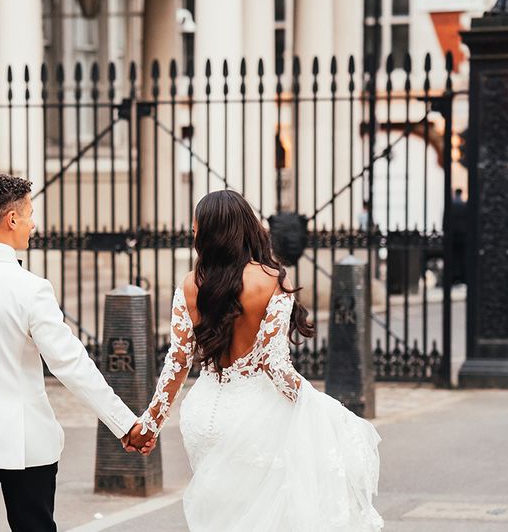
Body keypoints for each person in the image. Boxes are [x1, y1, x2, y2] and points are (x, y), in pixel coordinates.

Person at [128, 190, 383, 531]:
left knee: (223, 517)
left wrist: (151, 424)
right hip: (255, 416)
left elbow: (177, 361)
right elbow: (274, 365)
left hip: (203, 415)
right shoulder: (271, 278)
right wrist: (314, 403)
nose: (193, 237)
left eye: (195, 230)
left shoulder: (190, 284)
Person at [0, 173, 152, 532]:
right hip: (23, 441)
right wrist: (124, 424)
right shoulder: (30, 289)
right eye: (29, 213)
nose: (32, 222)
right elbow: (70, 364)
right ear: (12, 219)